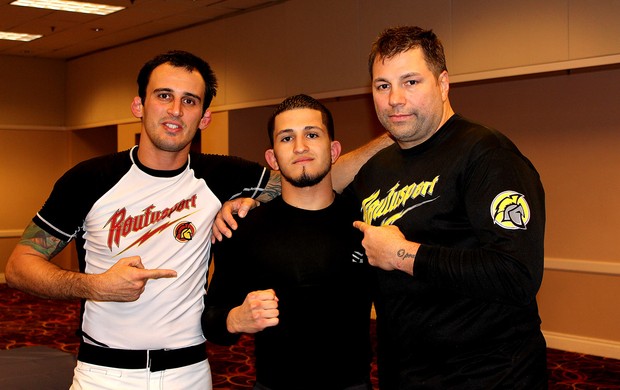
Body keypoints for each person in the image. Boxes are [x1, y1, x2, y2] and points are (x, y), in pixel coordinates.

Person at [346, 26, 548, 388]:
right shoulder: (375, 171)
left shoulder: (486, 155)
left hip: (490, 374)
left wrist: (403, 254)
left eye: (410, 82)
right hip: (408, 373)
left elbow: (517, 274)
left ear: (443, 84)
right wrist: (254, 203)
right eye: (382, 85)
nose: (394, 99)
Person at [203, 94, 374, 390]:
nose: (300, 147)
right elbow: (211, 321)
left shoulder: (366, 222)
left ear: (333, 150)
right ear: (272, 158)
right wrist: (236, 318)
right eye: (286, 138)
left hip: (354, 384)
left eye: (311, 134)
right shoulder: (243, 228)